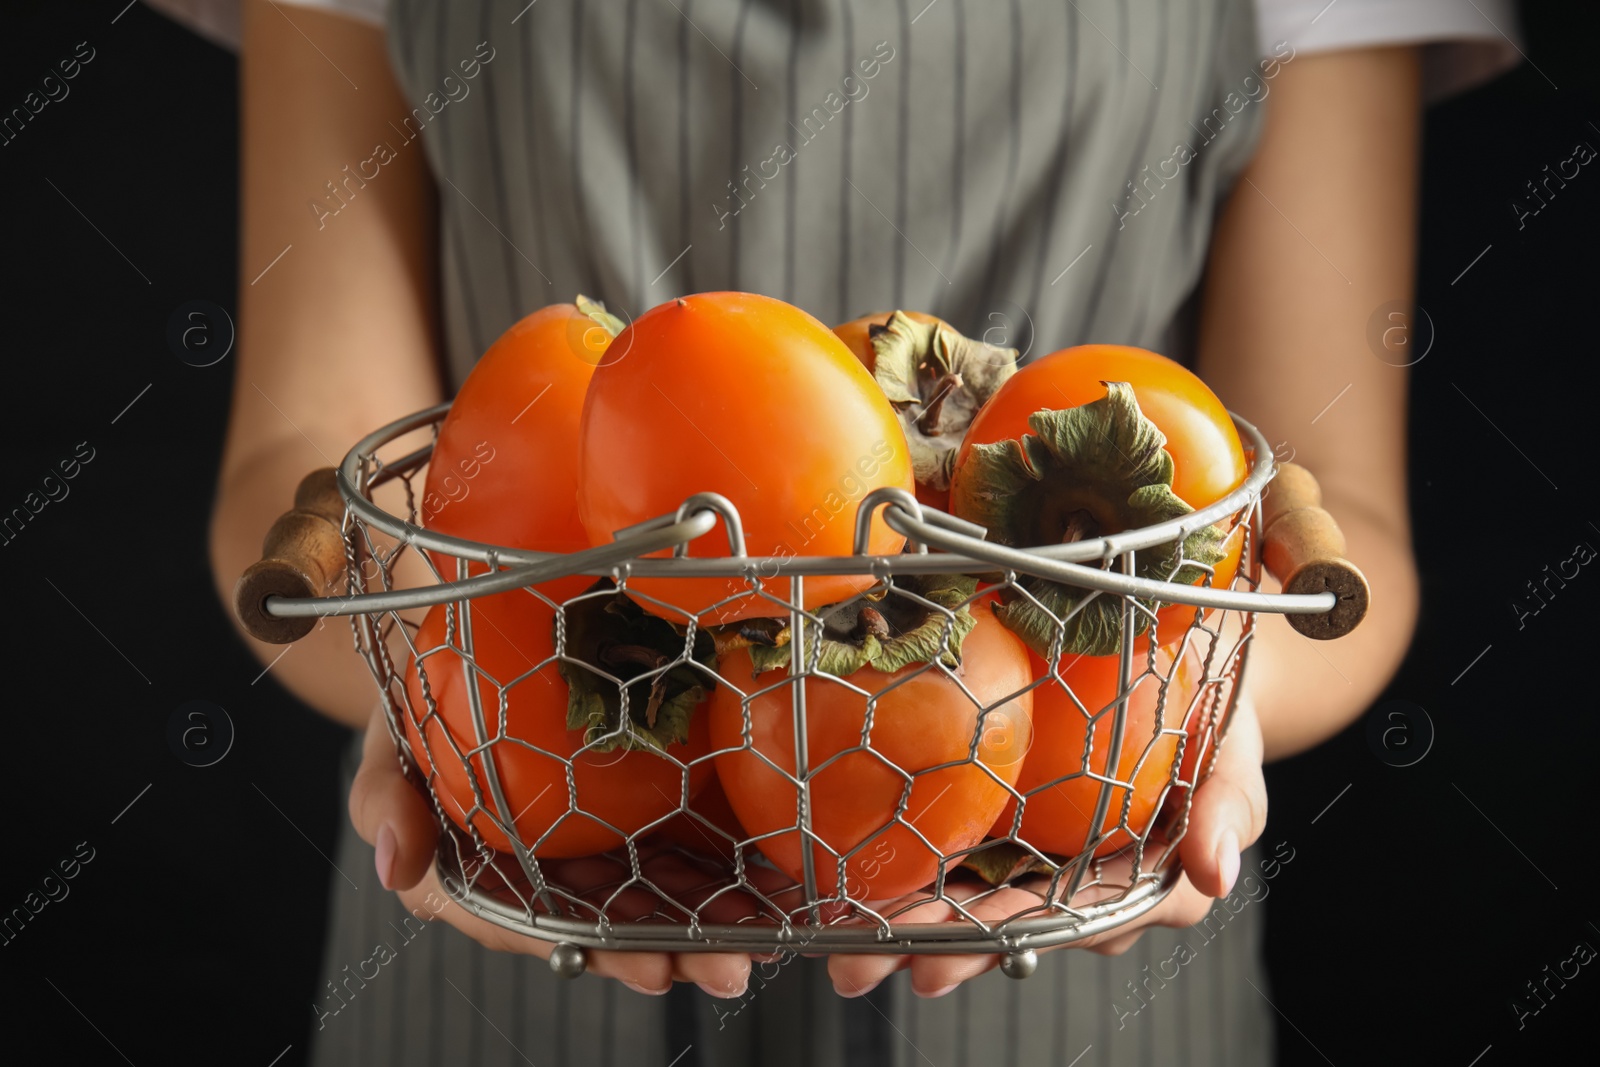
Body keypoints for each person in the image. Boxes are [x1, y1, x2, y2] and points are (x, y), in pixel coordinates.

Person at [167, 0, 1517, 1062]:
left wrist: (1188, 704)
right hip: (497, 931)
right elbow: (300, 463)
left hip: (1082, 959)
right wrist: (441, 678)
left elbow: (1342, 509)